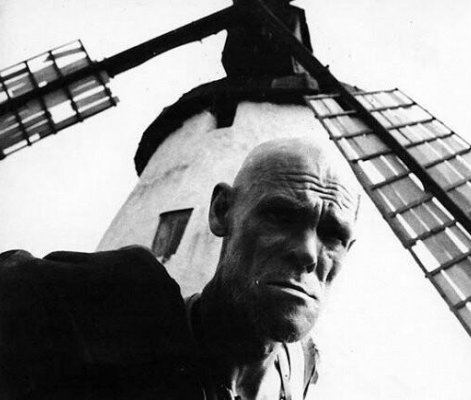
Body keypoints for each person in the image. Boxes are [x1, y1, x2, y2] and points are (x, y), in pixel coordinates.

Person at [0, 137, 360, 399]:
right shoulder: (122, 306)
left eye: (333, 235)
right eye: (281, 216)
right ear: (222, 211)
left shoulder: (300, 367)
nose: (308, 253)